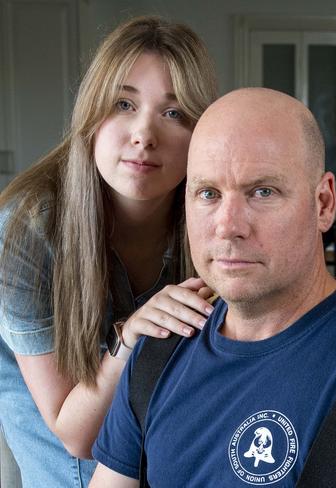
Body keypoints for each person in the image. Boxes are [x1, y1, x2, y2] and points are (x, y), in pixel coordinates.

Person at [89, 88, 336, 487]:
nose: (228, 226)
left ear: (324, 203)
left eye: (262, 192)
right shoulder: (159, 351)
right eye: (208, 193)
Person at [0, 16, 218, 487]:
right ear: (91, 114)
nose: (144, 134)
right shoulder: (25, 231)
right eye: (123, 103)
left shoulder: (213, 218)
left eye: (174, 112)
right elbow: (74, 435)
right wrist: (130, 340)